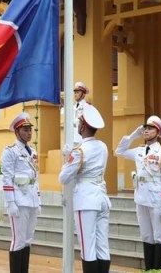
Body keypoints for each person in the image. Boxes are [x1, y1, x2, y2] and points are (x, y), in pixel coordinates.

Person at [59, 103, 111, 273]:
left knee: (88, 248)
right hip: (102, 197)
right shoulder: (102, 146)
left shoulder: (79, 151)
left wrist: (68, 158)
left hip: (86, 199)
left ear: (82, 126)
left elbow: (64, 177)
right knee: (102, 246)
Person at [115, 115, 161, 271]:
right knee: (146, 235)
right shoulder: (139, 151)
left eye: (150, 128)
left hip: (156, 199)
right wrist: (134, 134)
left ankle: (158, 269)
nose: (146, 131)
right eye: (145, 128)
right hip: (141, 198)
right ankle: (148, 269)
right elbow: (119, 151)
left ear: (158, 131)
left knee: (159, 236)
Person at [1, 112, 41, 273]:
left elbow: (35, 177)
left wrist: (39, 200)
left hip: (31, 200)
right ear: (17, 132)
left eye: (30, 130)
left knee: (27, 240)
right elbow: (7, 178)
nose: (29, 133)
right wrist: (10, 202)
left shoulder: (33, 151)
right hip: (18, 200)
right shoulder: (10, 151)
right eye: (25, 130)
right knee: (18, 241)